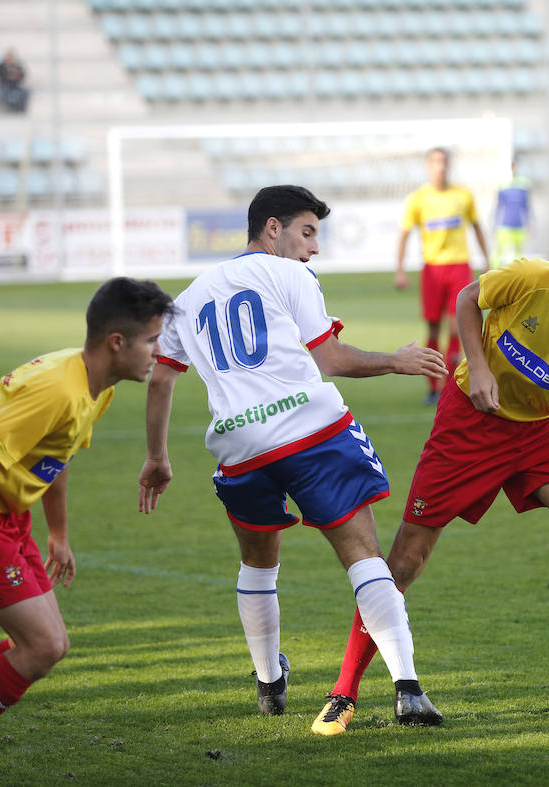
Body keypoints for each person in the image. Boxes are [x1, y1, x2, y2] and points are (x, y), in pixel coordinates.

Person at [317, 221, 549, 735]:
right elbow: (469, 298)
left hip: (537, 431)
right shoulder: (535, 278)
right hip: (468, 421)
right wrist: (479, 365)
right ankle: (344, 692)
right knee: (405, 559)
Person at [137, 185, 447, 736]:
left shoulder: (186, 299)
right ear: (272, 228)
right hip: (311, 432)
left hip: (240, 449)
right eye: (308, 233)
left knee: (259, 563)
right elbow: (332, 359)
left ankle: (268, 684)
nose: (314, 249)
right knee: (363, 555)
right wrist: (396, 361)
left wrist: (157, 457)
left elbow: (161, 379)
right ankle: (408, 690)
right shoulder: (289, 276)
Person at [0, 278, 175, 787]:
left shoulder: (91, 384)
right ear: (116, 342)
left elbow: (57, 454)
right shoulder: (60, 389)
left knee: (42, 642)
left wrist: (58, 534)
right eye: (151, 340)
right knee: (42, 646)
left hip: (6, 517)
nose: (158, 352)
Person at [395, 147, 490, 405]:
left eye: (444, 161)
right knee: (434, 327)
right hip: (433, 269)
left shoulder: (463, 195)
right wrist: (400, 270)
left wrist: (486, 261)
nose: (441, 166)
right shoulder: (418, 199)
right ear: (428, 166)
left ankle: (450, 386)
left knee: (457, 327)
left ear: (449, 165)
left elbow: (477, 227)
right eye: (436, 162)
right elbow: (404, 234)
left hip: (459, 266)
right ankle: (432, 387)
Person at [490, 158, 530, 268]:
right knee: (499, 251)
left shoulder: (523, 184)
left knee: (518, 254)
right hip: (505, 225)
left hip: (519, 225)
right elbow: (498, 206)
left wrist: (529, 223)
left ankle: (517, 276)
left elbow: (526, 206)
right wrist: (494, 222)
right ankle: (493, 273)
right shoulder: (503, 184)